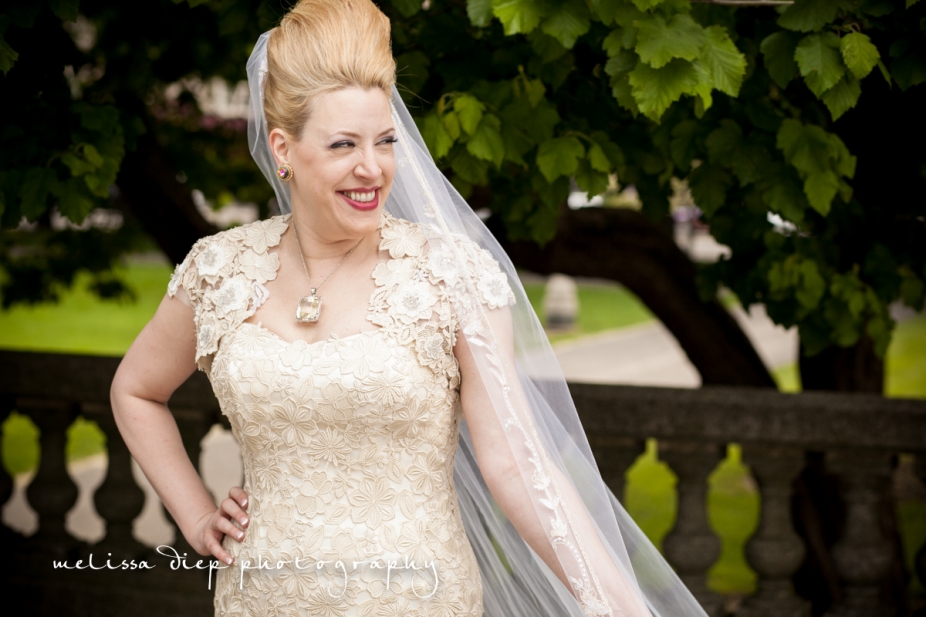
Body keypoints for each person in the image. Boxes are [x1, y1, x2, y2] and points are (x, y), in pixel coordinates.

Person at [110, 1, 708, 616]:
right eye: (344, 144)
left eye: (385, 140)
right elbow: (135, 390)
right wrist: (195, 513)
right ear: (283, 147)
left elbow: (518, 467)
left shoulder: (450, 276)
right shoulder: (220, 270)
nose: (372, 167)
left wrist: (619, 607)